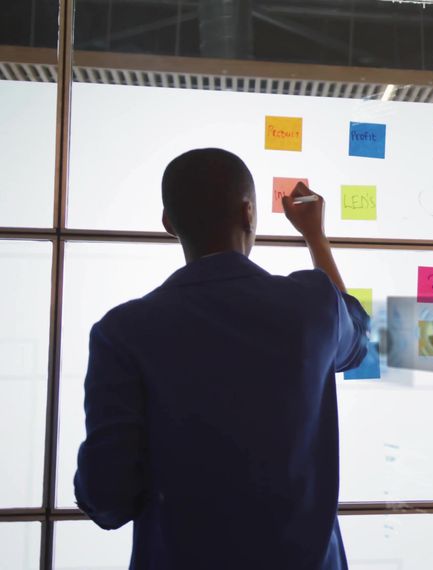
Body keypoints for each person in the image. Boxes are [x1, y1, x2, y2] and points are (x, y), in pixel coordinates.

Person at [74, 148, 369, 569]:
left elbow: (106, 496)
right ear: (250, 213)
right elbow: (359, 340)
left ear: (168, 224)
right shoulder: (311, 306)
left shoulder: (122, 332)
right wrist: (314, 235)